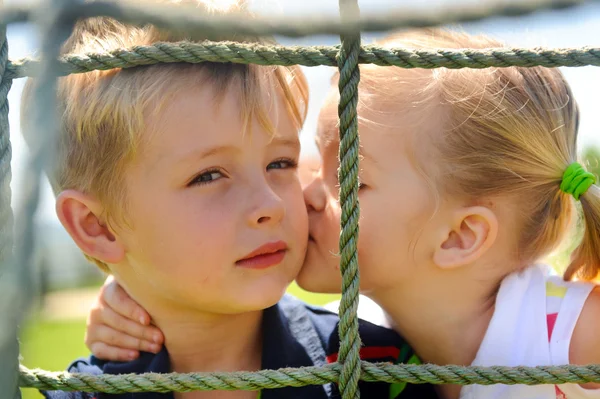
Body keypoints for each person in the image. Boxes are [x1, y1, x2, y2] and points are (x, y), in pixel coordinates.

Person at [87, 28, 600, 399]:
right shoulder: (363, 337)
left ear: (459, 236)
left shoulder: (574, 338)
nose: (306, 192)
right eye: (315, 158)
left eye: (349, 178)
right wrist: (138, 288)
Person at [22, 1, 437, 398]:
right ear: (96, 226)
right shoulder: (83, 395)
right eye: (209, 175)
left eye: (280, 162)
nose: (270, 205)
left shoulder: (378, 369)